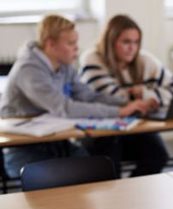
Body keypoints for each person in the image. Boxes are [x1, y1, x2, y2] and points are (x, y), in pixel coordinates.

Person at [0, 14, 151, 178]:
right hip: (25, 147)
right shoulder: (29, 70)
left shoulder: (64, 65)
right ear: (50, 44)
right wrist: (119, 112)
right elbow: (64, 107)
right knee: (69, 179)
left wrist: (125, 103)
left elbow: (88, 96)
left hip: (56, 139)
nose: (76, 48)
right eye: (71, 43)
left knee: (95, 169)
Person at [79, 14, 173, 176]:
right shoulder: (92, 59)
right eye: (126, 42)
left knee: (158, 156)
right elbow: (113, 99)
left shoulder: (144, 60)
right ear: (111, 42)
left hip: (134, 127)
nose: (132, 48)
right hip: (102, 130)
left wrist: (145, 93)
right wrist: (150, 98)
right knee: (110, 164)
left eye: (136, 42)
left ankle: (132, 190)